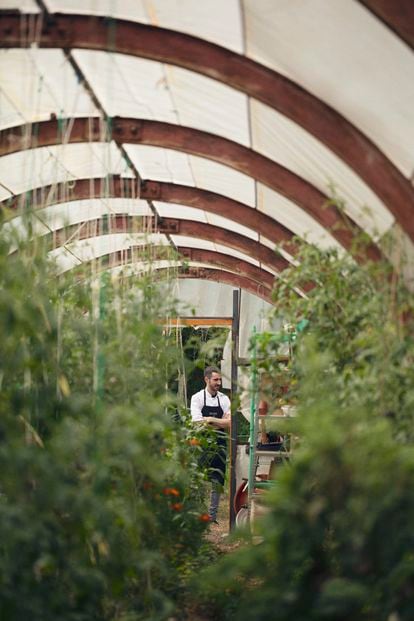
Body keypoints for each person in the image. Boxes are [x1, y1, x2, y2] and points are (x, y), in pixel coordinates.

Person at [190, 365, 231, 523]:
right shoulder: (197, 398)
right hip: (202, 443)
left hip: (220, 443)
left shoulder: (224, 399)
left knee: (217, 480)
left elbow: (230, 424)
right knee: (199, 479)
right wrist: (221, 422)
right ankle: (198, 514)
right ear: (206, 379)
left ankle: (212, 516)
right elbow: (197, 424)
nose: (218, 382)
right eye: (215, 380)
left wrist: (211, 419)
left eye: (220, 379)